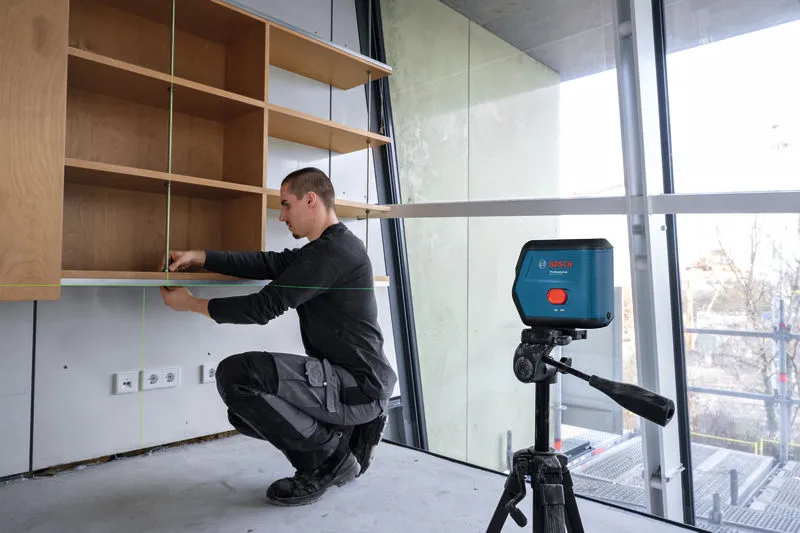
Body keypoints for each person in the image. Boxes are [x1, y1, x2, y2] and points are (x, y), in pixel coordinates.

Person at [158, 167, 398, 506]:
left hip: (357, 387)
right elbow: (268, 263)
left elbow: (263, 307)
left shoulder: (332, 253)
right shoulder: (329, 248)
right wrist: (200, 257)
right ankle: (346, 436)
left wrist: (192, 304)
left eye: (286, 204)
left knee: (237, 377)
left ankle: (329, 460)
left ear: (310, 200)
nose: (282, 215)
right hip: (356, 383)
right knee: (244, 413)